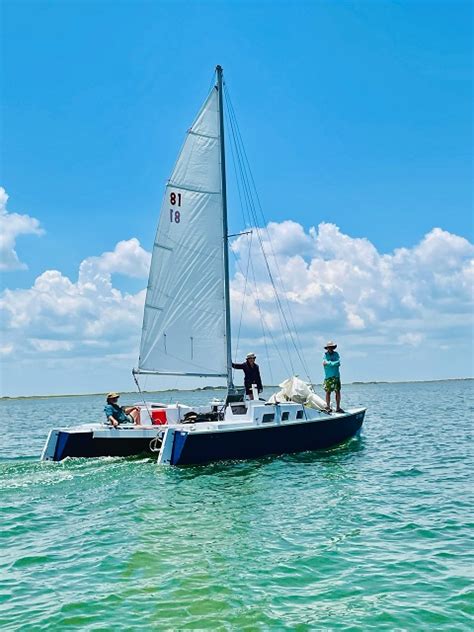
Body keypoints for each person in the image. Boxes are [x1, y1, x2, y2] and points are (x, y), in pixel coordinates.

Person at [323, 341, 344, 413]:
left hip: (336, 376)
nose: (330, 349)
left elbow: (338, 363)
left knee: (337, 391)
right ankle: (328, 407)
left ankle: (338, 407)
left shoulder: (336, 354)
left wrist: (329, 363)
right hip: (328, 376)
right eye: (329, 347)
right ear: (327, 348)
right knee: (328, 392)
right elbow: (324, 363)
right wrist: (333, 363)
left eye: (331, 347)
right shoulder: (325, 355)